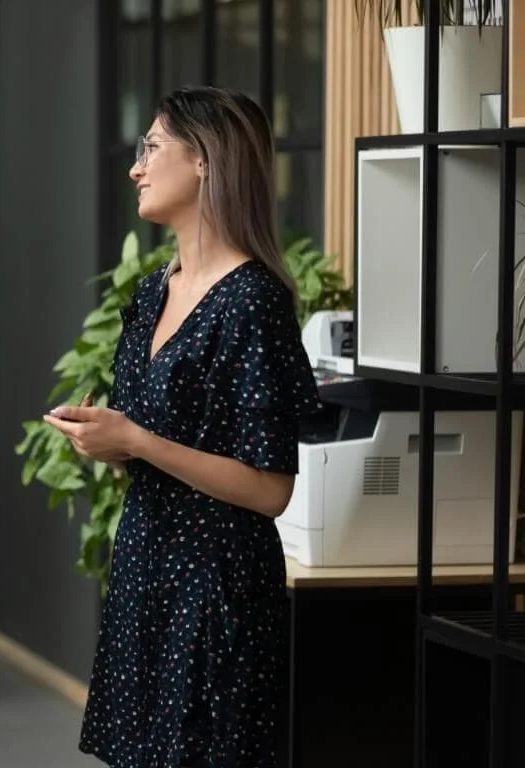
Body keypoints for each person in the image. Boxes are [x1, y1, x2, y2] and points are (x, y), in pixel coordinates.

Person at [44, 86, 320, 767]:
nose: (136, 167)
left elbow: (269, 489)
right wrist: (105, 439)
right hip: (145, 572)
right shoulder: (153, 288)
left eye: (152, 148)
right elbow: (145, 448)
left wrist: (135, 440)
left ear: (204, 162)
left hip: (218, 591)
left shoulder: (253, 300)